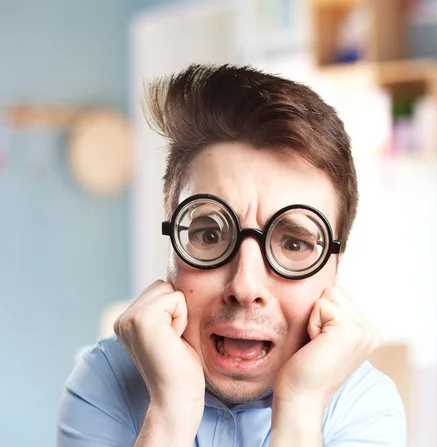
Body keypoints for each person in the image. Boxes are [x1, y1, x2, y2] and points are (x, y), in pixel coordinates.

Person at [57, 64, 406, 447]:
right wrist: (169, 415)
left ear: (335, 268)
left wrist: (300, 408)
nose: (245, 285)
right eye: (209, 234)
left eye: (293, 244)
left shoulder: (365, 407)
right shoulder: (104, 380)